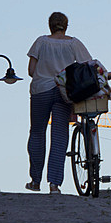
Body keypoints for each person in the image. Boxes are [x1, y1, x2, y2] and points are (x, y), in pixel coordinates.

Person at [25, 11, 92, 193]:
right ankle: (54, 184)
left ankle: (35, 180)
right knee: (59, 137)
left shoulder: (41, 42)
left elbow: (31, 70)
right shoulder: (73, 43)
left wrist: (45, 73)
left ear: (50, 26)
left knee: (37, 133)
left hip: (41, 91)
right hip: (65, 92)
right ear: (66, 25)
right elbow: (88, 65)